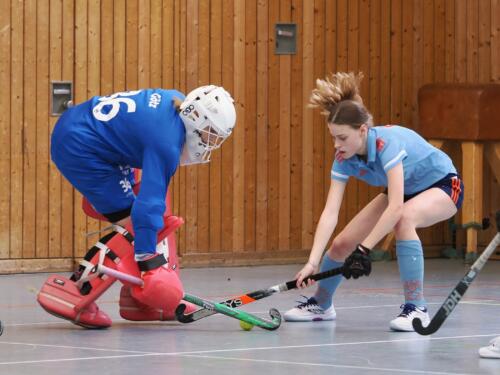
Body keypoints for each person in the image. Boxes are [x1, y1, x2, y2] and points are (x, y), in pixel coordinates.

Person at [38, 86, 236, 328]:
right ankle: (77, 291)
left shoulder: (176, 101)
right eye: (209, 134)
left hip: (92, 134)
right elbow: (150, 205)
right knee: (133, 227)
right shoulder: (166, 141)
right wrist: (148, 261)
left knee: (142, 224)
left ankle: (137, 302)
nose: (208, 142)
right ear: (196, 117)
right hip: (82, 146)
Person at [283, 72, 464, 332]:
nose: (337, 145)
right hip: (403, 192)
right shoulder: (343, 158)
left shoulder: (386, 144)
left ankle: (417, 309)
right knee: (342, 243)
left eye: (342, 138)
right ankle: (321, 304)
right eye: (333, 137)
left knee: (404, 219)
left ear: (363, 130)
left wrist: (364, 250)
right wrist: (312, 262)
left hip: (444, 185)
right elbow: (330, 212)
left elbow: (396, 207)